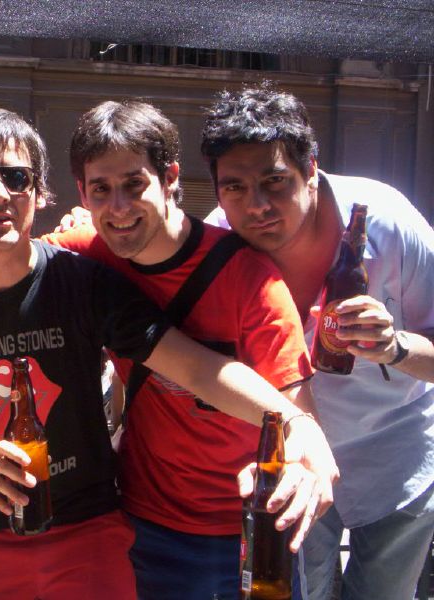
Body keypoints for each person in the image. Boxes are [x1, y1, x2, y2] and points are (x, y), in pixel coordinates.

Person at [0, 107, 335, 600]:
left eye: (16, 179)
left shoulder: (88, 277)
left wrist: (295, 423)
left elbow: (197, 367)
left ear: (41, 192)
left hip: (145, 529)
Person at [39, 99, 331, 600]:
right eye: (101, 190)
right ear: (82, 193)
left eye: (135, 185)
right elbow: (10, 260)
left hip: (243, 534)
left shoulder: (250, 278)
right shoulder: (84, 252)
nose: (119, 208)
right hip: (146, 525)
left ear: (170, 176)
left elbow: (296, 411)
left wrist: (304, 464)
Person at [201, 83, 434, 600]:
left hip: (398, 456)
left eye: (274, 181)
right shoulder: (219, 244)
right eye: (234, 187)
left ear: (311, 169)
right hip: (290, 462)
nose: (256, 205)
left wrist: (394, 347)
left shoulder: (389, 224)